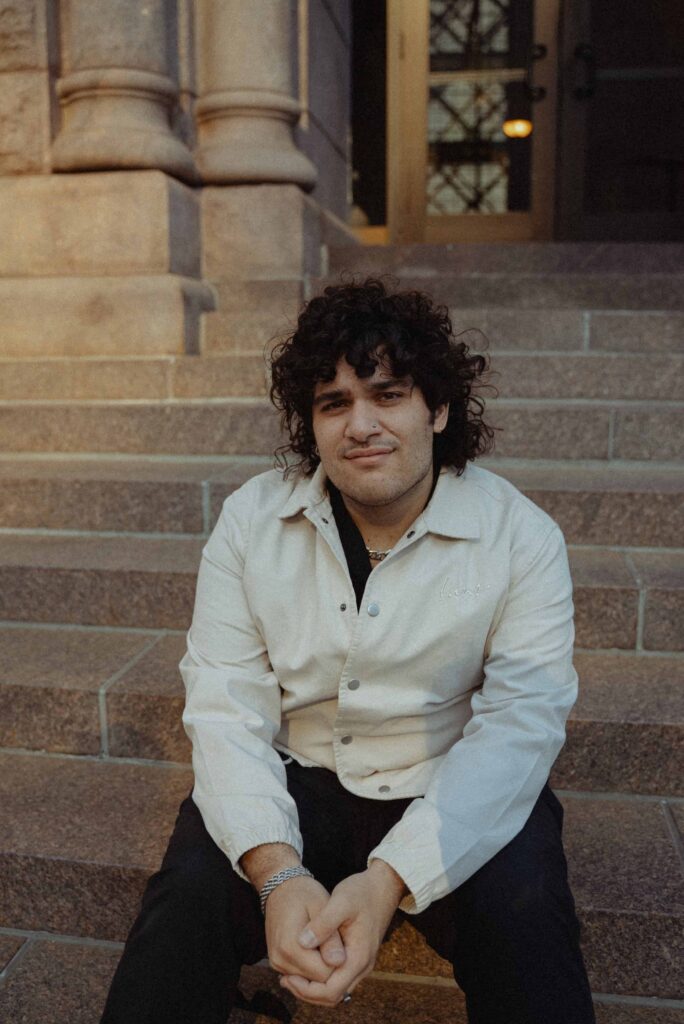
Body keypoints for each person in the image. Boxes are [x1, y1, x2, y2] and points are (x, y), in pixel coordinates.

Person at [101, 278, 596, 1024]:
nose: (361, 424)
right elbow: (225, 705)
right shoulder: (251, 520)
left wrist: (390, 878)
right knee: (186, 901)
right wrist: (277, 875)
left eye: (388, 395)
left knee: (527, 915)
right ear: (312, 423)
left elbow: (521, 724)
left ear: (438, 408)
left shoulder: (521, 538)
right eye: (334, 403)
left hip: (447, 777)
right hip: (300, 773)